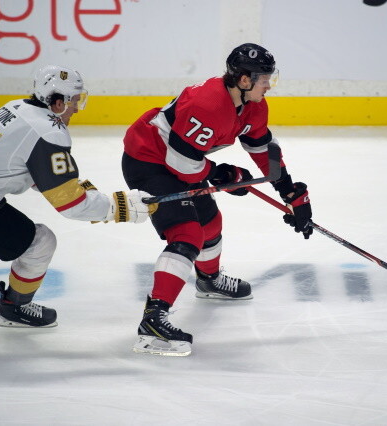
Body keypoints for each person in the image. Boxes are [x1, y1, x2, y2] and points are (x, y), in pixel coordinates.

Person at [0, 65, 154, 328]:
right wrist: (122, 207)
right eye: (73, 101)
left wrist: (78, 188)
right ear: (57, 102)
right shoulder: (49, 132)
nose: (76, 108)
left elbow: (31, 170)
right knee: (41, 242)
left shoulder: (16, 107)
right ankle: (16, 308)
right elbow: (71, 205)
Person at [122, 43, 314, 355]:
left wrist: (289, 191)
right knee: (187, 234)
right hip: (149, 160)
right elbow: (181, 164)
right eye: (264, 79)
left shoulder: (253, 104)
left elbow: (262, 147)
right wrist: (222, 173)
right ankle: (153, 320)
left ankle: (208, 281)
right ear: (243, 80)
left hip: (183, 162)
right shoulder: (207, 105)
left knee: (211, 223)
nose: (269, 85)